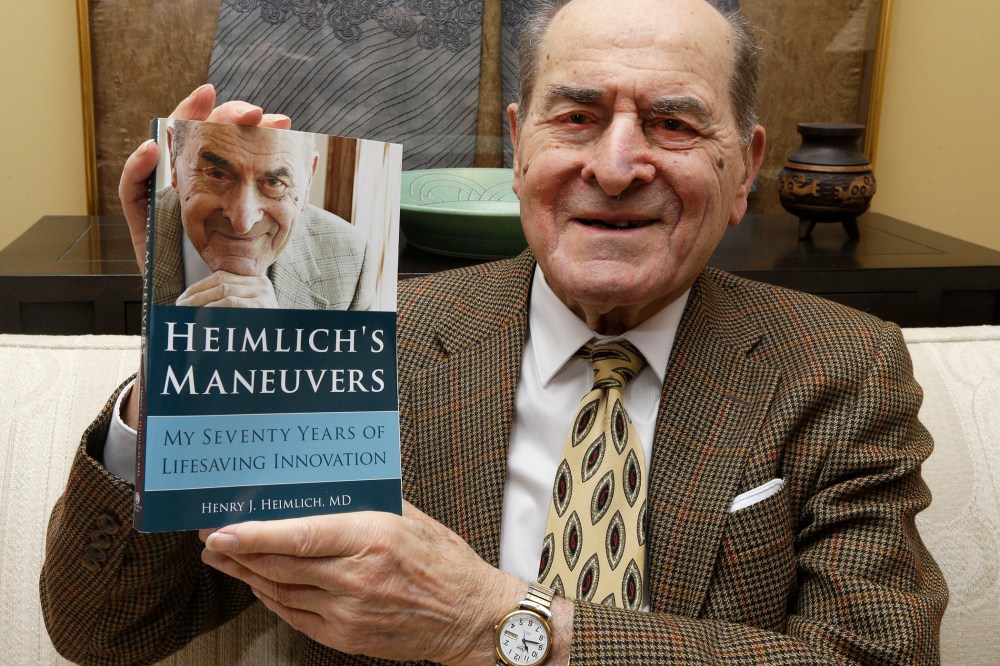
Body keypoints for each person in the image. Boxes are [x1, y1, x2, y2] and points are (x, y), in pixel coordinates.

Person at [41, 0, 947, 663]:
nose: (617, 164)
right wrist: (183, 366)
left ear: (744, 168)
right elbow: (108, 629)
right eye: (578, 117)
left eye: (673, 122)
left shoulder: (840, 367)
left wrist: (495, 619)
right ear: (519, 148)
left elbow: (876, 657)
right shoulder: (364, 341)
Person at [154, 119, 376, 310]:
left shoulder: (353, 258)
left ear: (308, 178)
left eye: (273, 182)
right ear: (174, 158)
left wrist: (274, 345)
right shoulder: (135, 232)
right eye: (218, 175)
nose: (243, 222)